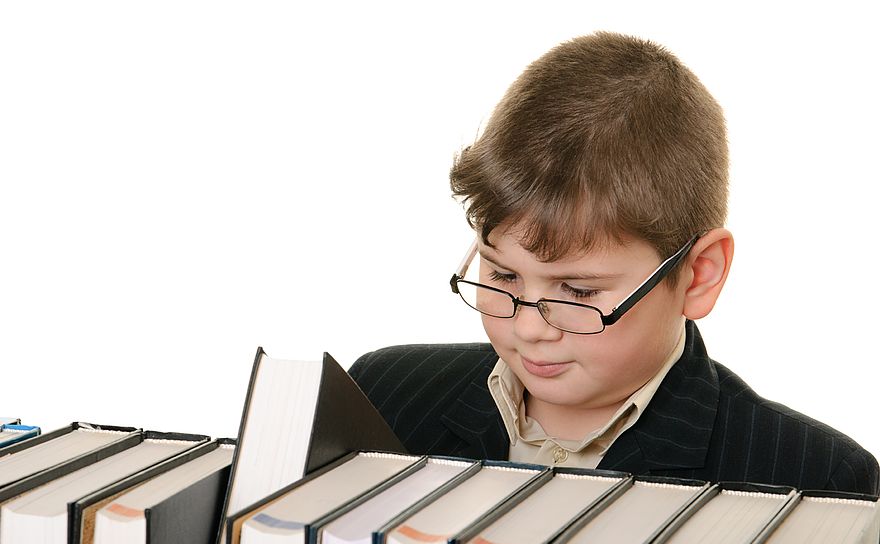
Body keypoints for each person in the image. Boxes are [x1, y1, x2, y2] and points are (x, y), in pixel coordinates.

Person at [349, 31, 879, 496]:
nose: (530, 328)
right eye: (502, 274)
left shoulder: (817, 479)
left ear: (698, 275)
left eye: (577, 292)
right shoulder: (380, 396)